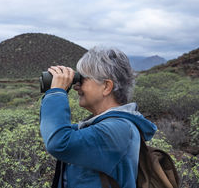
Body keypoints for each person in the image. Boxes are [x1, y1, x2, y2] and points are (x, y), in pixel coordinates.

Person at [40, 47, 157, 188]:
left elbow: (59, 142)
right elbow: (56, 132)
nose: (76, 87)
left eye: (82, 79)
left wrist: (57, 93)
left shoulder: (118, 129)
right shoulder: (104, 124)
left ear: (106, 86)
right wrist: (53, 93)